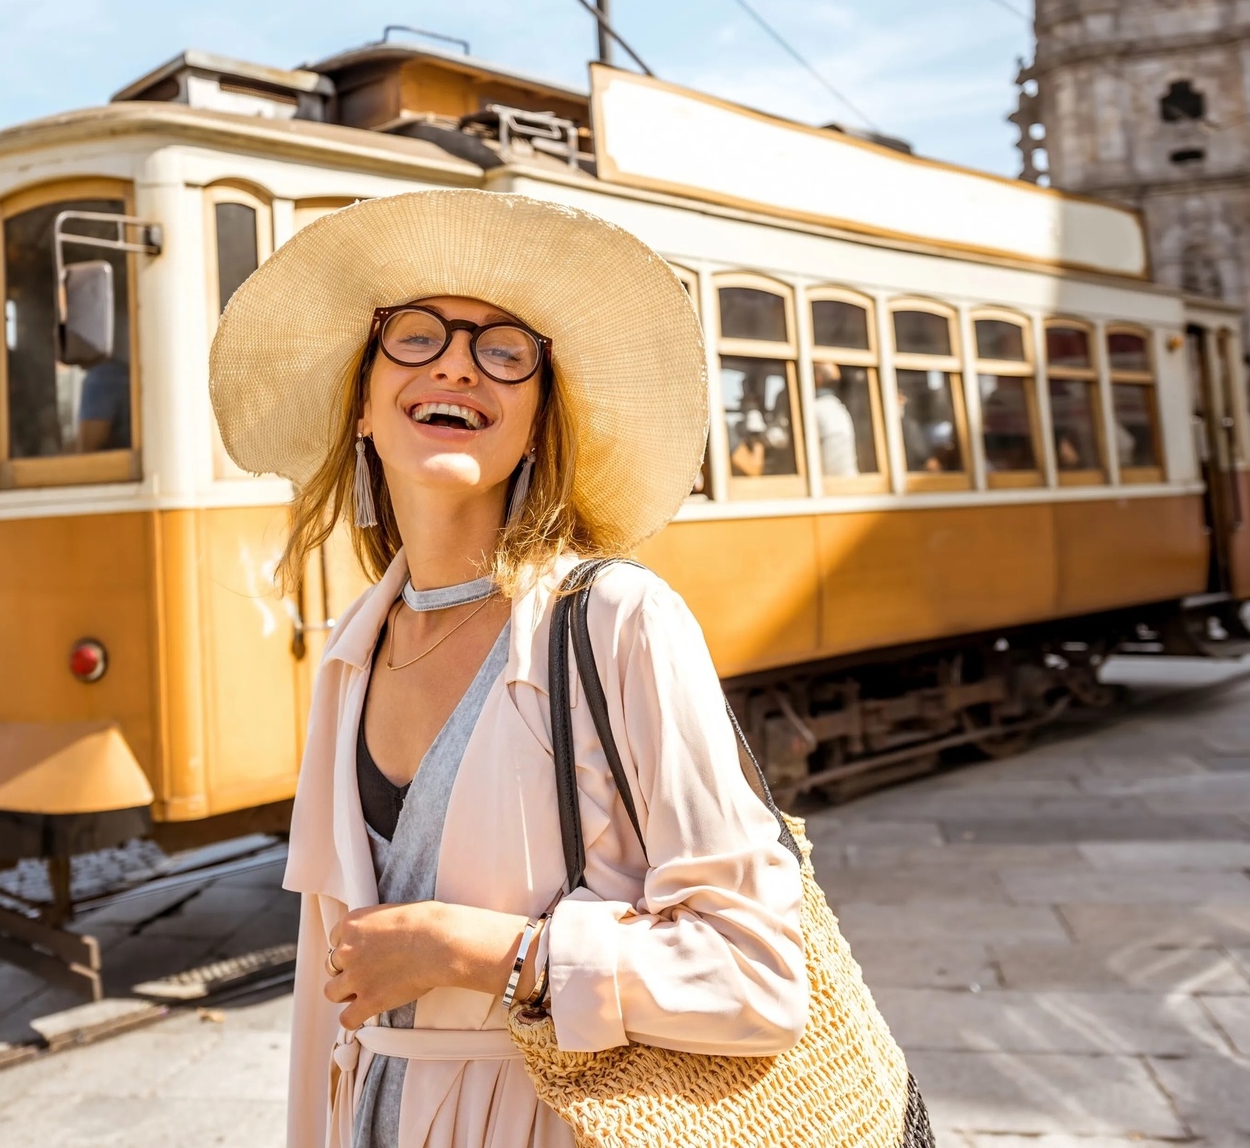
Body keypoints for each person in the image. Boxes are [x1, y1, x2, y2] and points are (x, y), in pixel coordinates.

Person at [209, 190, 807, 1148]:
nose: (455, 361)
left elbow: (761, 972)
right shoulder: (352, 655)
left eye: (503, 348)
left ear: (537, 420)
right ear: (360, 405)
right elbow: (328, 1009)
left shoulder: (617, 620)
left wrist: (481, 953)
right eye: (414, 336)